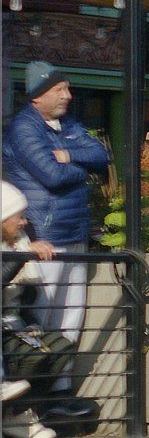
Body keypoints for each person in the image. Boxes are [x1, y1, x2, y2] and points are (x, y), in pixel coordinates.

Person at [2, 60, 110, 398]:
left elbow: (101, 154)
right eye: (60, 89)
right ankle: (36, 393)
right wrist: (82, 169)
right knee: (42, 316)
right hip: (45, 236)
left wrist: (68, 154)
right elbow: (52, 175)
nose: (68, 95)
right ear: (38, 95)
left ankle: (61, 389)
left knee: (72, 315)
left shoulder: (69, 124)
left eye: (67, 88)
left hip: (75, 234)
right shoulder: (23, 128)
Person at [1, 181, 72, 438]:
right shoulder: (20, 248)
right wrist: (22, 256)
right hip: (3, 328)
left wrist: (31, 323)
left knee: (59, 347)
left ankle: (17, 413)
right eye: (18, 216)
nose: (24, 222)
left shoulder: (19, 242)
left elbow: (26, 296)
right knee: (28, 355)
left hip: (14, 323)